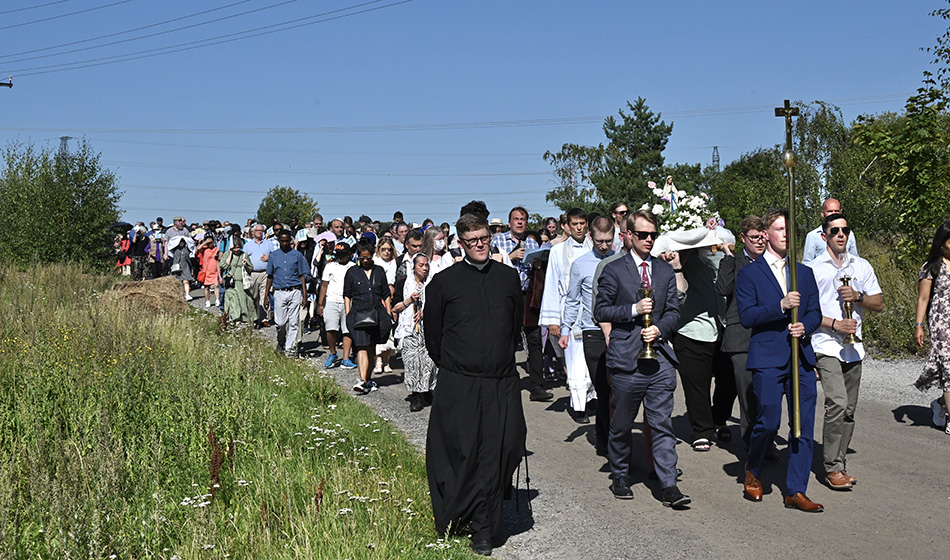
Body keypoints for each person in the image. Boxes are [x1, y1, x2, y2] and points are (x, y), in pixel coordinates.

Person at [424, 212, 527, 556]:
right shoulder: (443, 283)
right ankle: (480, 525)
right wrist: (456, 367)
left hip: (501, 381)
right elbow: (433, 337)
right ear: (461, 244)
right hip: (460, 381)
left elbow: (515, 329)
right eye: (472, 241)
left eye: (484, 238)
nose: (480, 245)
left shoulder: (508, 278)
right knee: (465, 449)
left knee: (507, 445)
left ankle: (484, 510)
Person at [594, 209, 689, 507]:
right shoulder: (613, 269)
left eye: (653, 235)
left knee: (661, 424)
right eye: (644, 234)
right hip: (626, 359)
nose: (649, 240)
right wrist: (633, 310)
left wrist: (660, 328)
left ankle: (668, 484)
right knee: (621, 423)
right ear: (630, 235)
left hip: (659, 358)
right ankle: (620, 473)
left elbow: (674, 310)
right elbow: (601, 311)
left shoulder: (662, 270)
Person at [736, 209, 823, 513]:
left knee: (802, 424)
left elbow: (813, 312)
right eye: (779, 229)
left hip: (800, 358)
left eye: (790, 229)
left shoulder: (804, 272)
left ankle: (796, 490)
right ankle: (754, 468)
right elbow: (747, 317)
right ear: (767, 234)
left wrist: (806, 326)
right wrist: (780, 305)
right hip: (768, 357)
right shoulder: (750, 273)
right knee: (769, 420)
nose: (786, 234)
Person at [810, 213, 883, 489]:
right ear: (824, 236)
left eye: (845, 230)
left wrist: (859, 297)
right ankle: (831, 467)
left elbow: (878, 303)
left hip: (854, 348)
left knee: (849, 409)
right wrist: (836, 324)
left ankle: (839, 463)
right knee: (837, 402)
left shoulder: (861, 266)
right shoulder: (814, 269)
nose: (841, 234)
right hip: (825, 343)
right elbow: (807, 312)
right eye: (835, 230)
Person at [665, 232, 735, 452]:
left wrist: (724, 248)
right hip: (691, 328)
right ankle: (701, 430)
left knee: (729, 380)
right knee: (697, 384)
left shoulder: (719, 253)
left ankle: (719, 419)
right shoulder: (679, 254)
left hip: (722, 326)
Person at [558, 216, 615, 443]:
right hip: (592, 331)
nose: (604, 246)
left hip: (617, 332)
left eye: (608, 241)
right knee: (602, 386)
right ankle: (606, 439)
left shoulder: (620, 261)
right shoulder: (580, 264)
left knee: (616, 391)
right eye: (599, 241)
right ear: (591, 237)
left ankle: (609, 435)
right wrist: (565, 329)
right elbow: (572, 301)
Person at [716, 215, 769, 449]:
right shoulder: (733, 262)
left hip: (767, 334)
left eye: (762, 237)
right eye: (754, 238)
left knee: (766, 394)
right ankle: (754, 447)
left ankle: (764, 441)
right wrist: (728, 259)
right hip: (741, 336)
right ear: (743, 238)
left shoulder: (773, 261)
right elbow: (723, 289)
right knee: (747, 394)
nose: (759, 242)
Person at [491, 206, 551, 402]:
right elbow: (491, 266)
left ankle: (537, 385)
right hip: (506, 296)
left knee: (534, 341)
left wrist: (538, 263)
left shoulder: (532, 243)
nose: (519, 222)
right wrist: (510, 258)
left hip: (527, 295)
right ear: (509, 223)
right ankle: (505, 381)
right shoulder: (498, 240)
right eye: (516, 219)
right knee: (507, 340)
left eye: (523, 219)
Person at [541, 208, 593, 420]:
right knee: (574, 359)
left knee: (592, 357)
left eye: (582, 223)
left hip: (591, 310)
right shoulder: (558, 251)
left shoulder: (595, 247)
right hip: (568, 312)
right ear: (568, 226)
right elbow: (552, 284)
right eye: (575, 224)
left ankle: (593, 398)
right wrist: (553, 320)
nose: (579, 228)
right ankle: (578, 404)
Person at [344, 240, 393, 394]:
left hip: (376, 314)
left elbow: (386, 293)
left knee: (371, 347)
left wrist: (389, 312)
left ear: (372, 256)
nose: (365, 261)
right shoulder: (352, 272)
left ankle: (368, 378)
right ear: (358, 257)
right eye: (362, 258)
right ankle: (363, 380)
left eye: (368, 258)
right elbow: (347, 295)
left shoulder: (379, 271)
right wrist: (347, 313)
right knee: (361, 346)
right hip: (358, 313)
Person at [915, 220, 950, 433]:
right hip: (941, 324)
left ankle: (939, 404)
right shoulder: (932, 268)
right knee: (948, 369)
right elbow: (923, 299)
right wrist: (919, 325)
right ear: (942, 242)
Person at [394, 252, 435, 411]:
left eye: (426, 265)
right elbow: (396, 308)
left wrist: (426, 311)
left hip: (427, 329)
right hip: (409, 329)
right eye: (421, 265)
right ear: (414, 267)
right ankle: (416, 395)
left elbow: (438, 305)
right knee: (412, 362)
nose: (424, 268)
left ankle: (427, 391)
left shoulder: (432, 283)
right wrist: (410, 300)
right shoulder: (404, 283)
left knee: (428, 362)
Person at [265, 230, 309, 357]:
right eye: (282, 241)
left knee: (294, 322)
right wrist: (266, 296)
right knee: (280, 323)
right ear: (278, 241)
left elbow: (302, 276)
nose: (284, 243)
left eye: (286, 241)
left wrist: (304, 296)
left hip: (294, 290)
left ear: (290, 240)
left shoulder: (297, 255)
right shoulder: (273, 256)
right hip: (279, 292)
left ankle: (289, 351)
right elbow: (269, 276)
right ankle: (281, 341)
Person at [318, 242, 357, 369]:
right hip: (332, 300)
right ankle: (333, 353)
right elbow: (324, 285)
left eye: (343, 255)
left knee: (347, 330)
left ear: (349, 255)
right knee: (330, 329)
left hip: (347, 301)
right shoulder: (330, 266)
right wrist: (320, 303)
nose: (340, 257)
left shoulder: (353, 267)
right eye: (338, 255)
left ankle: (346, 358)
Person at [803, 198, 859, 262]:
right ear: (822, 213)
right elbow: (807, 262)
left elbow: (855, 258)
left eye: (836, 211)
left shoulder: (849, 234)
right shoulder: (812, 236)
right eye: (830, 211)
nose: (833, 213)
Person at [244, 224, 278, 328]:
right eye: (257, 230)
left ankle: (264, 318)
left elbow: (276, 256)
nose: (260, 232)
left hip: (265, 273)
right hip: (253, 273)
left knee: (265, 295)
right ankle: (254, 317)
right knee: (253, 296)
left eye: (262, 231)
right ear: (253, 232)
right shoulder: (248, 245)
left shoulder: (268, 244)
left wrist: (269, 257)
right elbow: (243, 257)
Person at [373, 237, 398, 374]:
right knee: (379, 330)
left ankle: (387, 361)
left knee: (390, 330)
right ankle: (379, 360)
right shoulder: (375, 261)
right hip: (378, 298)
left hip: (391, 297)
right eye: (384, 249)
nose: (387, 252)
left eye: (389, 249)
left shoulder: (394, 262)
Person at [219, 235, 254, 323]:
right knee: (233, 301)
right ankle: (232, 318)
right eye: (235, 248)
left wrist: (245, 265)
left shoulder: (244, 255)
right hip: (231, 282)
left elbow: (251, 268)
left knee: (243, 301)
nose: (237, 250)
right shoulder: (227, 254)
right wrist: (230, 254)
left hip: (241, 282)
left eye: (238, 247)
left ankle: (244, 319)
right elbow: (224, 265)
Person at [165, 217, 195, 301]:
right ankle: (177, 295)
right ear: (175, 222)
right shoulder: (169, 231)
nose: (182, 223)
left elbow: (190, 241)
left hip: (184, 255)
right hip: (174, 255)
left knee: (186, 276)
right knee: (176, 275)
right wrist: (166, 253)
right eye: (180, 222)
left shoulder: (185, 231)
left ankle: (187, 294)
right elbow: (166, 242)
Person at [197, 236, 221, 308]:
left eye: (211, 242)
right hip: (206, 271)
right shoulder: (204, 250)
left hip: (215, 270)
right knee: (207, 287)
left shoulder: (217, 250)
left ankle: (217, 300)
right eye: (209, 243)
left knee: (216, 285)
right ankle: (207, 301)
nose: (210, 244)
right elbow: (198, 249)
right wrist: (205, 242)